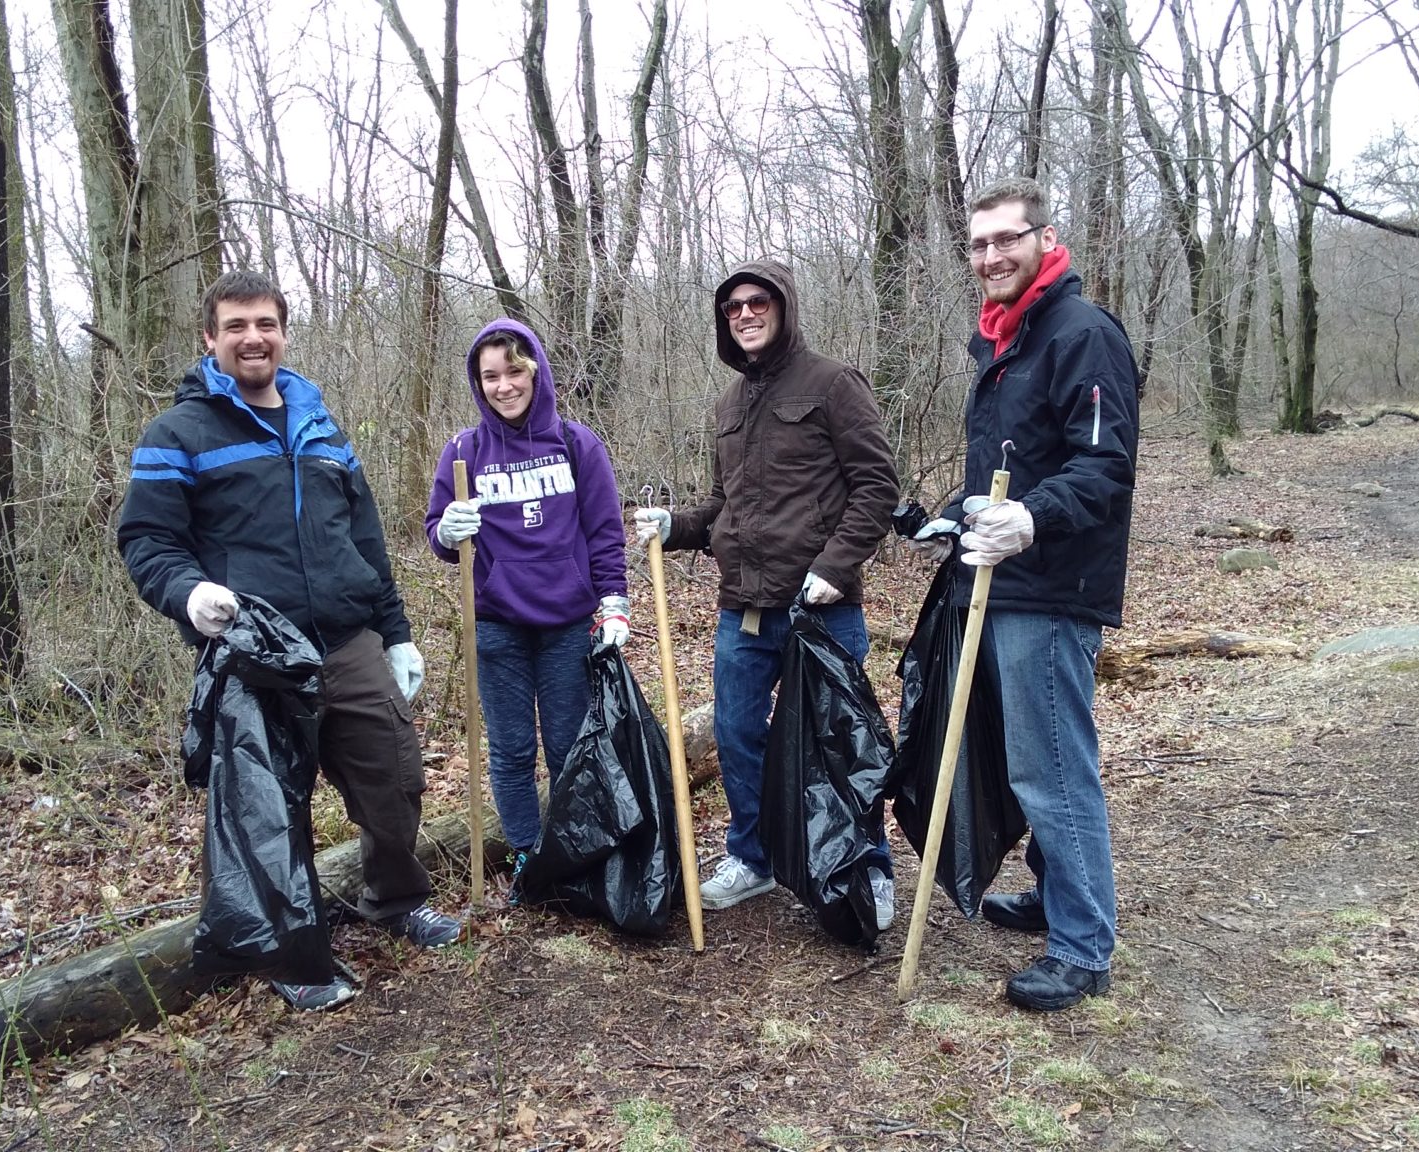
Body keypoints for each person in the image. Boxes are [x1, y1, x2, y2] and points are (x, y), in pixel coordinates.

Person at [118, 270, 462, 1012]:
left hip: (347, 641)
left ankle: (396, 901)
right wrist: (190, 593)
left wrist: (396, 635)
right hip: (256, 659)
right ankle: (291, 948)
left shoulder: (320, 425)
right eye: (236, 325)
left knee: (396, 779)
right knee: (271, 809)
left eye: (265, 323)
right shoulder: (178, 433)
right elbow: (147, 540)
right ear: (209, 338)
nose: (253, 337)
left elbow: (364, 539)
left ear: (283, 332)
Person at [634, 259, 900, 928]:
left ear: (783, 306)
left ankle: (866, 867)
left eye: (757, 302)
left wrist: (834, 568)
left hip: (821, 611)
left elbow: (876, 488)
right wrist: (676, 526)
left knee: (838, 743)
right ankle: (752, 860)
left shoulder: (833, 384)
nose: (745, 314)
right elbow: (725, 507)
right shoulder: (728, 406)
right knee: (737, 736)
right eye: (732, 308)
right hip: (742, 610)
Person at [930, 177, 1139, 1011]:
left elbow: (1102, 466)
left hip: (1054, 587)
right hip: (1005, 580)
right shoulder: (1007, 340)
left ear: (1046, 240)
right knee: (1033, 764)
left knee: (1053, 769)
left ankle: (1084, 948)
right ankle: (1058, 897)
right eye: (979, 245)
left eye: (1006, 240)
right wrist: (957, 515)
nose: (991, 257)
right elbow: (1010, 466)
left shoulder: (1080, 334)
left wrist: (1029, 519)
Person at [425, 319, 629, 892]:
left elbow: (604, 532)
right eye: (490, 376)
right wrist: (449, 531)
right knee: (511, 751)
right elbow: (437, 536)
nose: (503, 385)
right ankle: (526, 854)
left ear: (536, 372)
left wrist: (614, 603)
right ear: (477, 383)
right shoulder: (464, 452)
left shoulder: (576, 444)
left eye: (514, 370)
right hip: (497, 626)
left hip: (567, 623)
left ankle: (568, 854)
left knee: (568, 747)